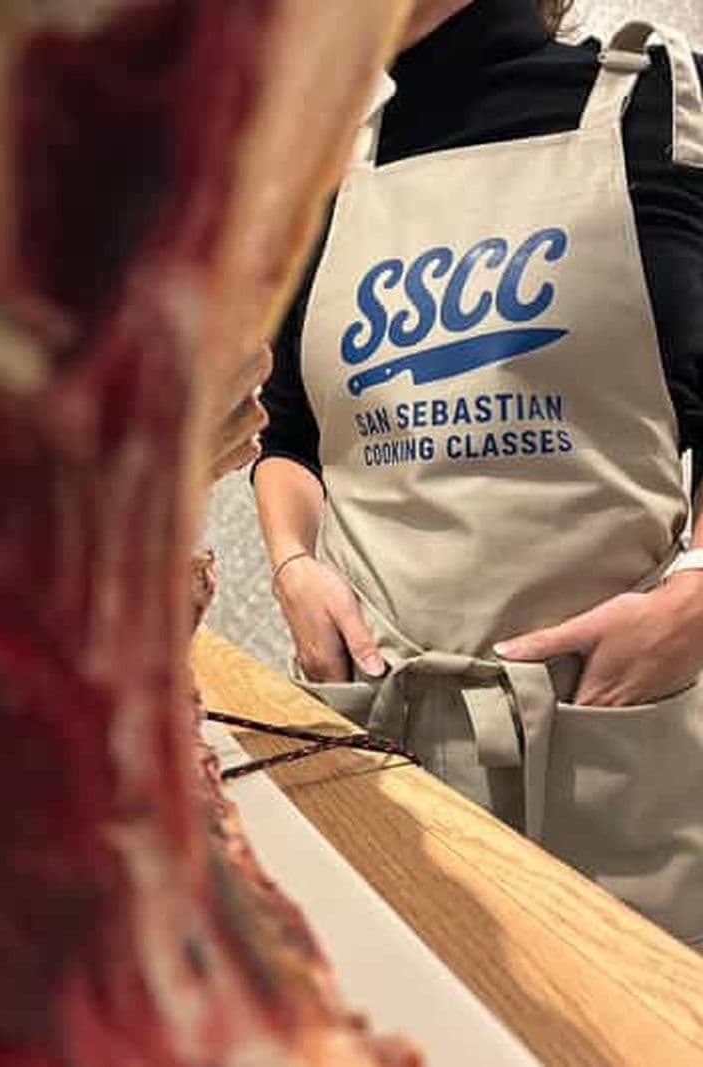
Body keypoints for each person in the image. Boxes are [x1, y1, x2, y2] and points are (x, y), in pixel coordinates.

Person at [253, 0, 703, 950]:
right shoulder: (322, 176)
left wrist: (699, 592)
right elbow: (285, 431)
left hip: (606, 741)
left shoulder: (662, 106)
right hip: (374, 736)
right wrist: (294, 565)